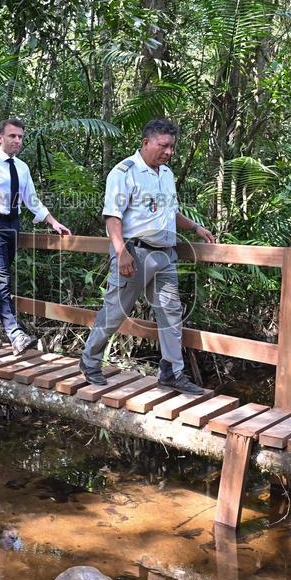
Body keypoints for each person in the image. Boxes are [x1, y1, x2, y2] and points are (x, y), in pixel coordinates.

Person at [79, 119, 216, 393]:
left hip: (165, 255)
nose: (168, 152)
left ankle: (171, 372)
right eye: (163, 146)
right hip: (134, 253)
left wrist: (196, 227)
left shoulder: (165, 174)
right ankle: (90, 360)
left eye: (172, 147)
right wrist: (121, 253)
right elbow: (112, 217)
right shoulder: (124, 172)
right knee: (116, 310)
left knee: (171, 312)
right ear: (146, 143)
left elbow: (170, 212)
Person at [0, 118, 71, 355]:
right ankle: (15, 333)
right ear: (0, 138)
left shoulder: (22, 167)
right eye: (12, 136)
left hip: (13, 223)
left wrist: (53, 222)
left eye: (20, 137)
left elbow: (31, 199)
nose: (17, 141)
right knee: (1, 278)